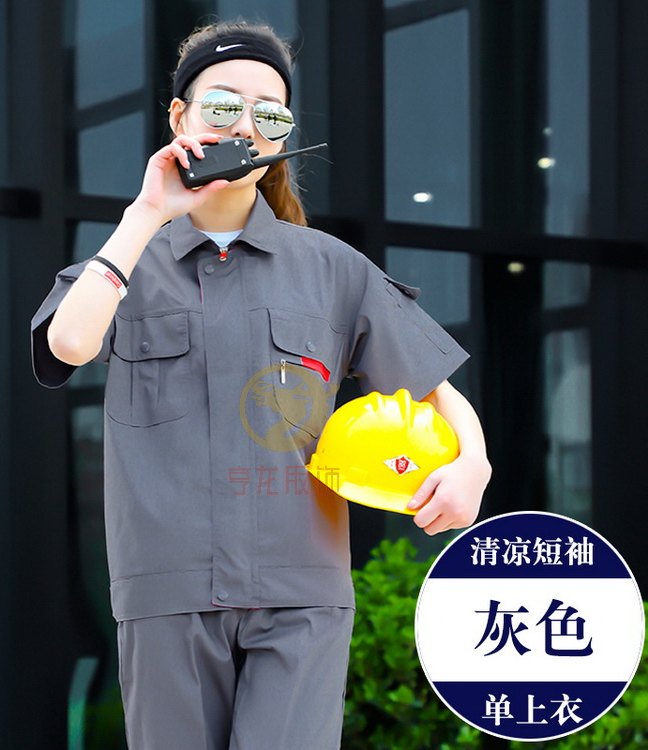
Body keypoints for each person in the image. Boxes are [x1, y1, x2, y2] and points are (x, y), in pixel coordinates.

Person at [31, 19, 492, 750]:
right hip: (167, 592)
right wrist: (147, 213)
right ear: (179, 117)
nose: (245, 126)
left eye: (269, 114)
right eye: (223, 106)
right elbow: (68, 343)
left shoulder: (331, 268)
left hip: (300, 596)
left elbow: (436, 388)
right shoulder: (124, 263)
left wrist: (474, 463)